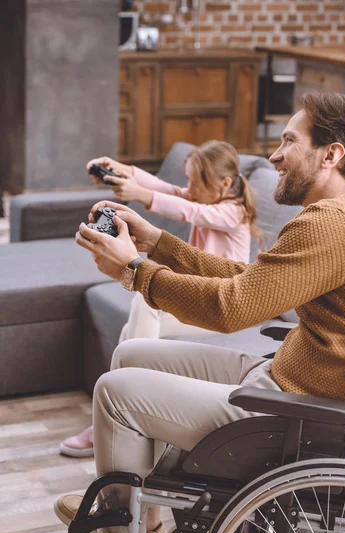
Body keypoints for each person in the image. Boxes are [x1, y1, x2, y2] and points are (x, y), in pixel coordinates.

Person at [27, 92, 345, 533]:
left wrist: (135, 272)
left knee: (115, 391)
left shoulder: (333, 224)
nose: (273, 156)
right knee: (130, 355)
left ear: (331, 154)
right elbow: (251, 282)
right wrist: (158, 244)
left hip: (296, 413)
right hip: (295, 383)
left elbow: (232, 309)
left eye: (289, 140)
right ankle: (141, 519)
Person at [59, 140, 261, 458]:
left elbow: (188, 208)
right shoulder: (205, 197)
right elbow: (170, 190)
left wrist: (141, 196)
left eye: (195, 181)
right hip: (201, 303)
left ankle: (116, 415)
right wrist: (127, 172)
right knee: (133, 339)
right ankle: (115, 415)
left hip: (225, 311)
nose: (188, 188)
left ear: (223, 184)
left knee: (145, 303)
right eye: (188, 180)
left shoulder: (232, 213)